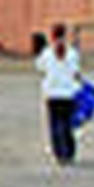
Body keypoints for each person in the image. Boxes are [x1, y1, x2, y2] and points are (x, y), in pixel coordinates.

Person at [35, 22, 81, 165]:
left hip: (52, 93)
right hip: (68, 93)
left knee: (55, 125)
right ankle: (69, 151)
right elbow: (75, 73)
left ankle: (60, 153)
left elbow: (40, 68)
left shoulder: (47, 53)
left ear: (52, 36)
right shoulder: (72, 53)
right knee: (67, 124)